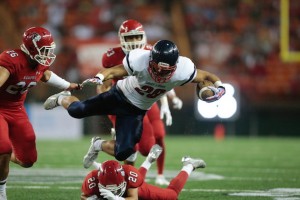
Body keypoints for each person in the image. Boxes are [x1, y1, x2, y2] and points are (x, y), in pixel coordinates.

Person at [43, 39, 225, 167]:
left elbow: (207, 76)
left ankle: (97, 144)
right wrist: (100, 77)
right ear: (151, 61)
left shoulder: (184, 70)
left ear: (175, 66)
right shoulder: (139, 59)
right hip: (118, 95)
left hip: (136, 110)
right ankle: (62, 98)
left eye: (166, 71)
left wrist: (218, 87)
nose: (160, 74)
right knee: (77, 110)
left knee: (124, 152)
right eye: (157, 69)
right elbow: (114, 71)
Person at [97, 19, 183, 185]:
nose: (134, 41)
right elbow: (104, 86)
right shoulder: (111, 57)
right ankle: (130, 179)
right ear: (121, 38)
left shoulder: (152, 53)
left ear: (143, 37)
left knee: (157, 137)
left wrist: (169, 101)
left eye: (137, 37)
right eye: (129, 38)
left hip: (149, 99)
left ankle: (159, 174)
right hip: (126, 103)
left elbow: (163, 79)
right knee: (134, 147)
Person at [0, 26, 81, 200]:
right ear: (31, 48)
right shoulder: (11, 59)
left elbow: (45, 74)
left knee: (27, 160)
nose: (47, 54)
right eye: (44, 50)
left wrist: (67, 85)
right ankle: (1, 190)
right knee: (4, 147)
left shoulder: (39, 63)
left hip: (17, 110)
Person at [80, 144, 206, 200]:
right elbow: (83, 196)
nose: (113, 191)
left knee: (172, 196)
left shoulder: (129, 173)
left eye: (116, 188)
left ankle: (189, 165)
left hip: (132, 192)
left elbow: (133, 198)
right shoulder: (91, 180)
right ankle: (149, 160)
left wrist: (116, 199)